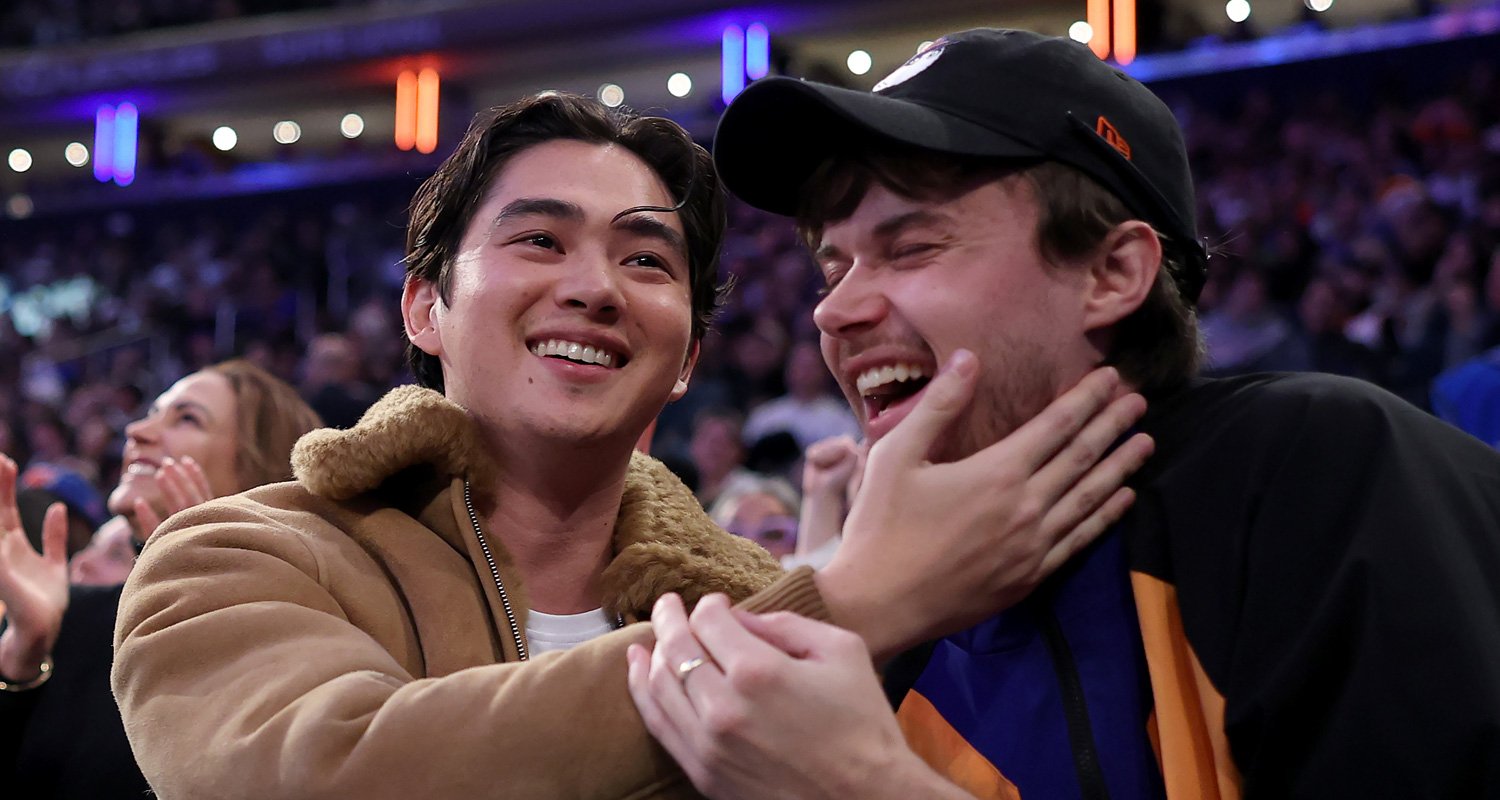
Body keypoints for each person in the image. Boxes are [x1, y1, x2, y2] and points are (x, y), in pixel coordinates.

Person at [112, 91, 1153, 799]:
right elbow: (325, 773)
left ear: (690, 353)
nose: (596, 287)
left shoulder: (747, 592)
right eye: (540, 239)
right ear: (425, 305)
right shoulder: (238, 556)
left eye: (647, 257)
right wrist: (838, 603)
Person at [628, 28, 1500, 799]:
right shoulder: (889, 613)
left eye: (913, 246)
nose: (834, 311)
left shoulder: (1318, 473)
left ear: (1112, 273)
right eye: (832, 268)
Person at [0, 360, 321, 799]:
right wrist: (19, 661)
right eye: (153, 411)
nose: (138, 431)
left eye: (187, 418)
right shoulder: (68, 614)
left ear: (256, 472)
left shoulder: (297, 634)